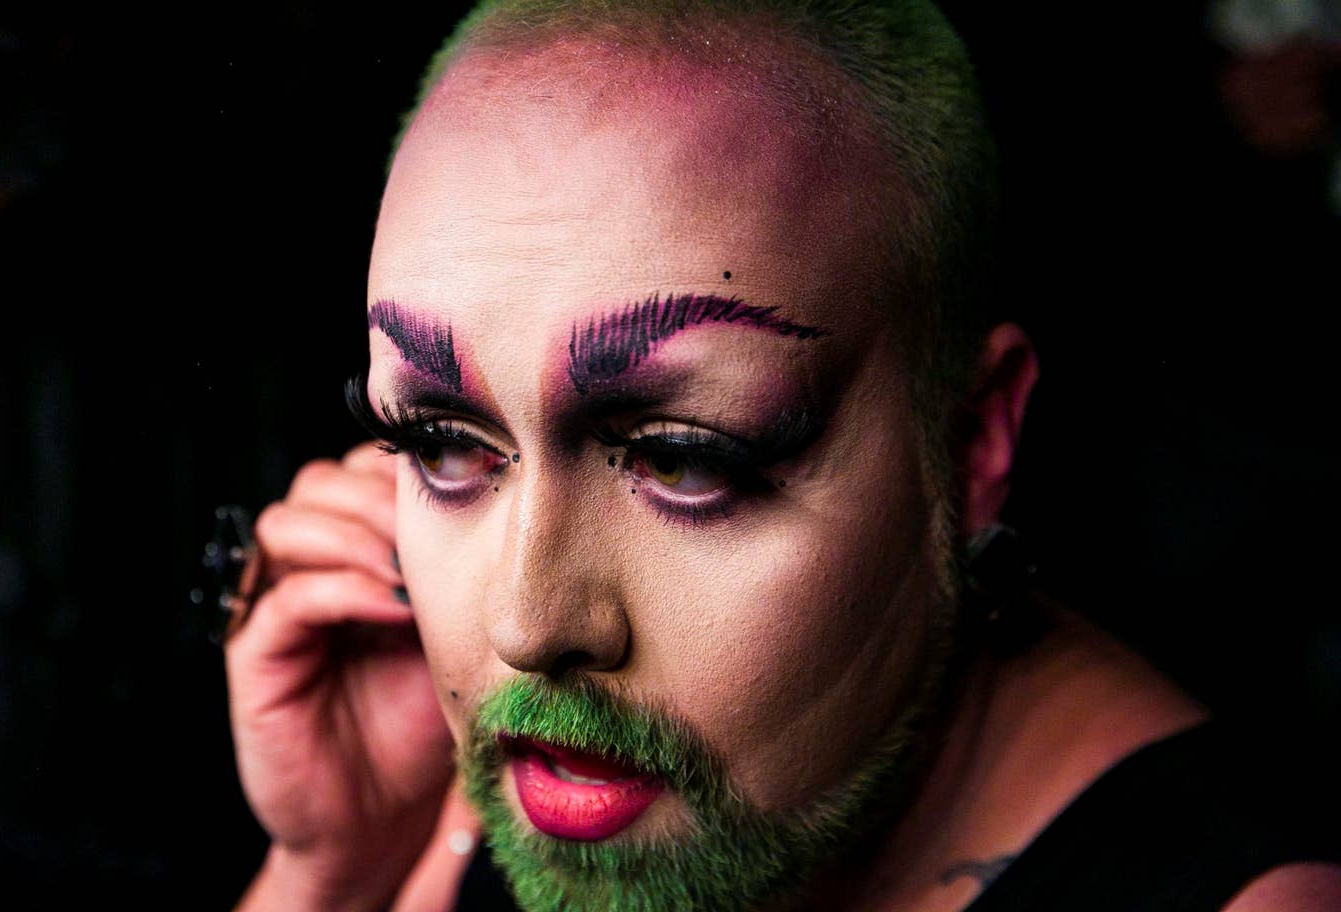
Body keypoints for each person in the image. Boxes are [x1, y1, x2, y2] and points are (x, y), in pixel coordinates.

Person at [221, 2, 1341, 910]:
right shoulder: (483, 814)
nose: (527, 624)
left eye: (684, 457)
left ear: (972, 439)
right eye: (443, 443)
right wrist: (329, 872)